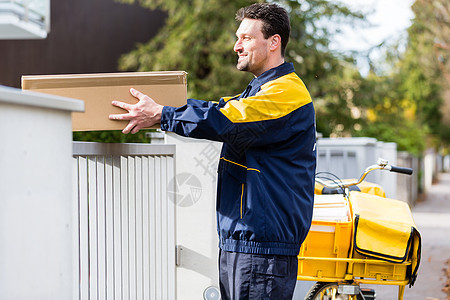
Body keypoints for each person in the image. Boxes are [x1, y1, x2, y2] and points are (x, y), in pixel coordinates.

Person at [109, 3, 316, 299]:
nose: (236, 46)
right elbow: (219, 109)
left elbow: (224, 120)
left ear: (274, 42)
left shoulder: (286, 93)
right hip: (243, 243)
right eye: (237, 37)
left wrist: (163, 115)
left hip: (262, 250)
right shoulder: (260, 91)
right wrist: (162, 111)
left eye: (245, 37)